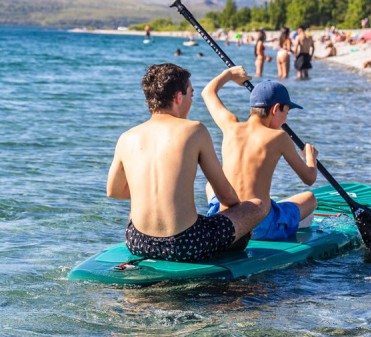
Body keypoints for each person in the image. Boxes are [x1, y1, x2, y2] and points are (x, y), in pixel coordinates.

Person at [107, 63, 266, 262]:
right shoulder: (195, 130)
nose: (191, 100)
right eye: (191, 94)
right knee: (258, 206)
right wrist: (241, 221)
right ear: (178, 97)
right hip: (184, 244)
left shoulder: (126, 137)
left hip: (138, 242)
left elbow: (113, 191)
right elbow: (226, 196)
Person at [201, 67, 319, 241]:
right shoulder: (279, 137)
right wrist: (311, 158)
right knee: (310, 198)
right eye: (286, 112)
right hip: (259, 225)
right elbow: (309, 178)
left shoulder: (230, 126)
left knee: (210, 186)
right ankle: (289, 224)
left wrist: (230, 74)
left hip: (224, 219)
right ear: (276, 108)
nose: (286, 119)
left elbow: (208, 92)